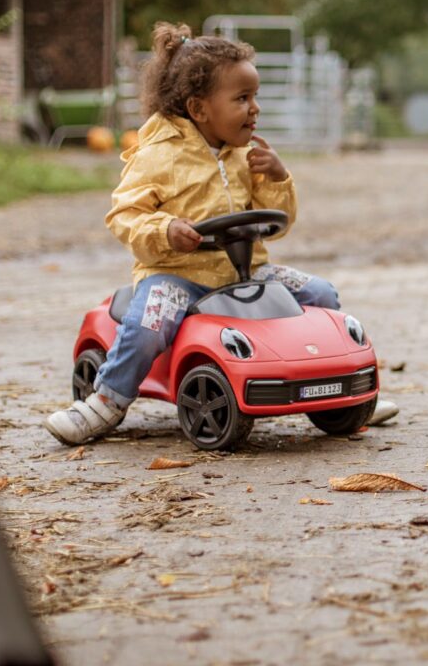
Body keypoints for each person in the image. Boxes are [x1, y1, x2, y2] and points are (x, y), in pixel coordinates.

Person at [44, 22, 396, 445]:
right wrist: (165, 228)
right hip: (181, 276)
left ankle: (339, 394)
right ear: (199, 108)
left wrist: (278, 179)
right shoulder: (157, 155)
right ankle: (106, 401)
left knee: (321, 293)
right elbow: (124, 215)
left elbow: (278, 222)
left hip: (246, 274)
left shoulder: (248, 153)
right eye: (242, 99)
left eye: (256, 97)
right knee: (148, 323)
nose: (255, 108)